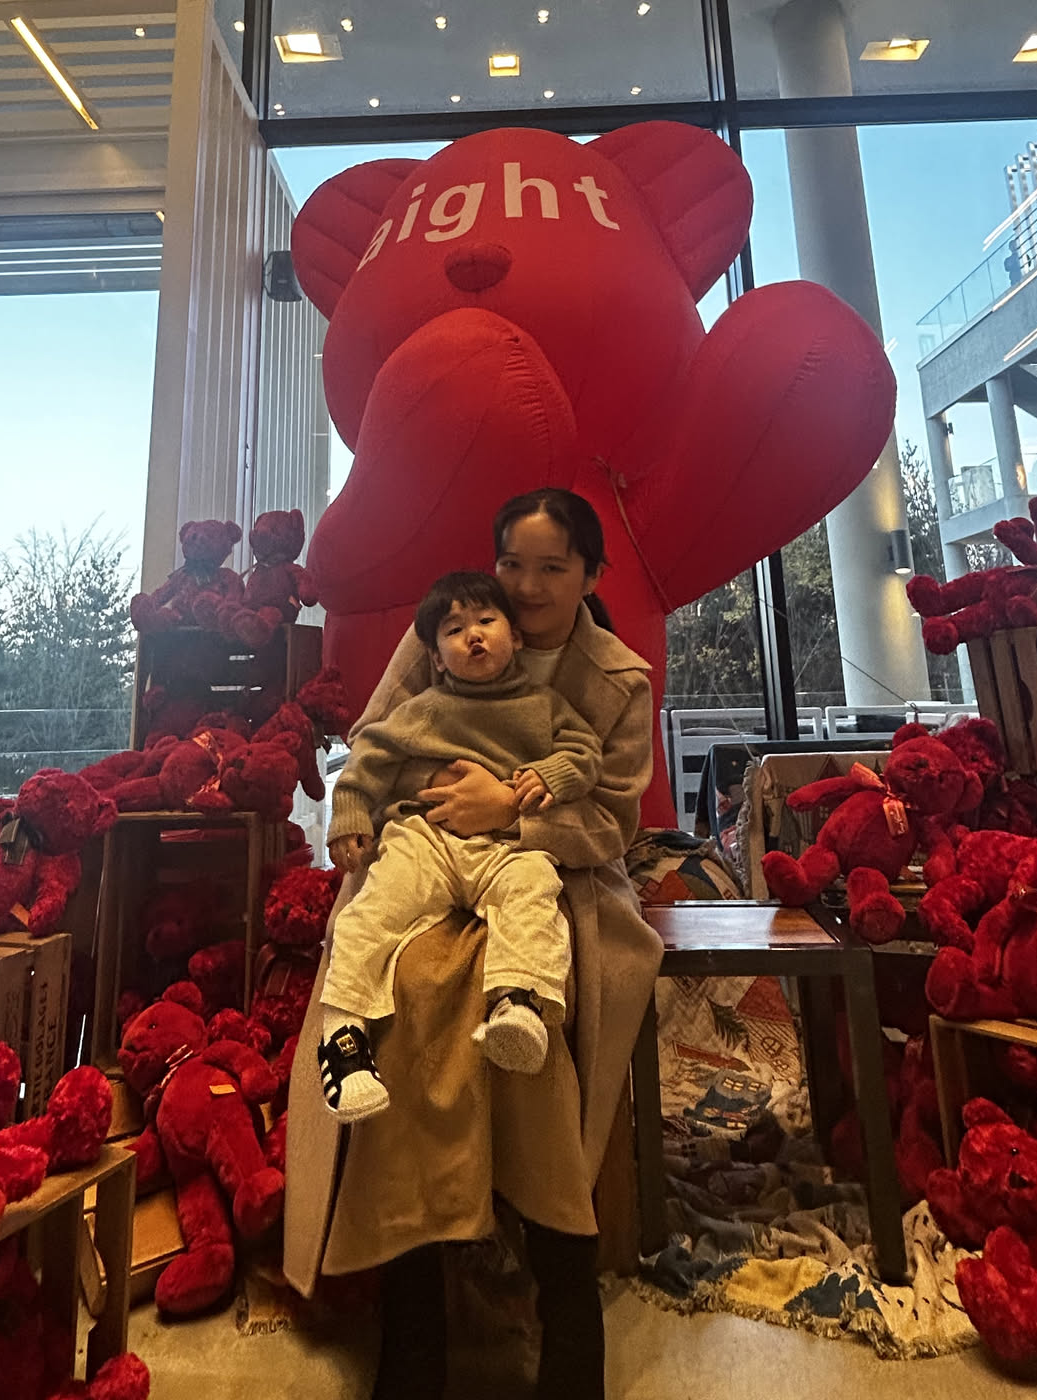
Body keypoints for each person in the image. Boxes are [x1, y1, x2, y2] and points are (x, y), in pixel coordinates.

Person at [285, 488, 663, 1400]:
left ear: (590, 576)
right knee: (405, 982)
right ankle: (412, 1307)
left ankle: (563, 1287)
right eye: (512, 565)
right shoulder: (446, 627)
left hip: (556, 870)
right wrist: (387, 816)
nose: (526, 588)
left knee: (534, 1003)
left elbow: (611, 819)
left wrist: (510, 810)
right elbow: (373, 746)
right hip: (423, 846)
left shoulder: (615, 679)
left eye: (553, 568)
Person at [317, 569, 604, 1120]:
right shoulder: (424, 708)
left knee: (535, 889)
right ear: (436, 657)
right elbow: (370, 753)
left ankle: (518, 1003)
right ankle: (344, 1034)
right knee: (375, 908)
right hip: (426, 837)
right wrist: (349, 811)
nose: (473, 635)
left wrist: (550, 775)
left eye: (486, 621)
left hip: (505, 846)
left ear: (515, 637)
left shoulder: (544, 706)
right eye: (454, 630)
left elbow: (585, 751)